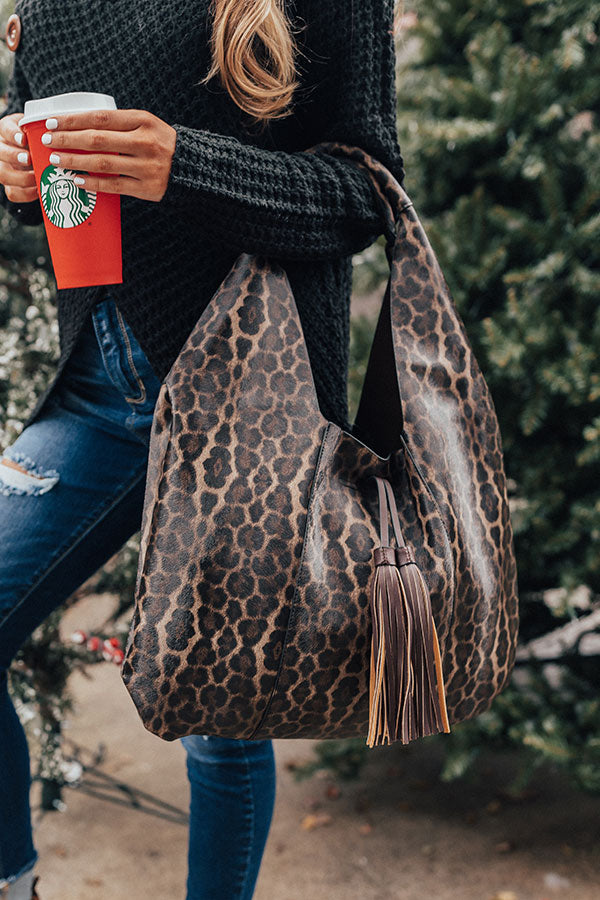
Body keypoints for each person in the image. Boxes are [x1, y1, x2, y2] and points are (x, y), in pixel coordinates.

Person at [0, 1, 406, 898]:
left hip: (249, 404)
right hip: (97, 391)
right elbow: (60, 188)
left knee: (220, 721)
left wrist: (185, 165)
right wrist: (19, 177)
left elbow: (365, 190)